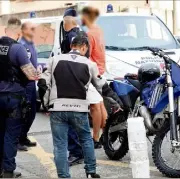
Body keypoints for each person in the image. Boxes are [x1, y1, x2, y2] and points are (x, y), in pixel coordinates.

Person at [38, 32, 121, 178]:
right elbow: (103, 86)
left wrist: (46, 105)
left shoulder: (54, 60)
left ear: (71, 46)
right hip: (79, 109)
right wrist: (118, 102)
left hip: (57, 108)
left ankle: (64, 176)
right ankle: (90, 172)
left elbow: (43, 84)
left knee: (60, 145)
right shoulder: (89, 64)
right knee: (86, 139)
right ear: (84, 47)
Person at [0, 17, 38, 178]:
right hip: (14, 99)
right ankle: (8, 171)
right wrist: (39, 72)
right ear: (19, 33)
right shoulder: (18, 49)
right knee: (11, 136)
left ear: (6, 31)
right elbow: (30, 74)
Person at [60, 8, 85, 167]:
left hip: (70, 83)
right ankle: (81, 151)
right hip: (81, 81)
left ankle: (76, 152)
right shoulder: (83, 36)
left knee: (70, 120)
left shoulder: (69, 38)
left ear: (66, 22)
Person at [81, 6, 108, 148]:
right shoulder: (99, 31)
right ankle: (105, 135)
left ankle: (96, 138)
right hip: (101, 70)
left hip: (92, 72)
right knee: (101, 104)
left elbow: (86, 55)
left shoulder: (89, 34)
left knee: (95, 107)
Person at [17, 21, 38, 151]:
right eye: (32, 28)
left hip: (32, 82)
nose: (34, 30)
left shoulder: (31, 43)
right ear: (24, 30)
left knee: (32, 113)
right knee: (24, 113)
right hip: (25, 83)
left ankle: (23, 136)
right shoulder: (22, 45)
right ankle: (18, 140)